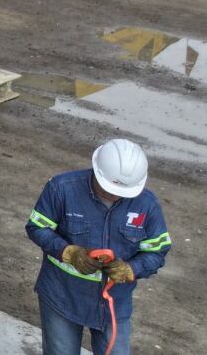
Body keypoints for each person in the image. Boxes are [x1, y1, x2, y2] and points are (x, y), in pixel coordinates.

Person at [26, 139, 172, 355]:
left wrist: (131, 269)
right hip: (62, 296)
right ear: (96, 170)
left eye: (122, 192)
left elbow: (157, 252)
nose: (114, 195)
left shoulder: (146, 205)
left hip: (114, 303)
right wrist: (68, 252)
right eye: (109, 189)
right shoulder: (62, 189)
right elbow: (36, 228)